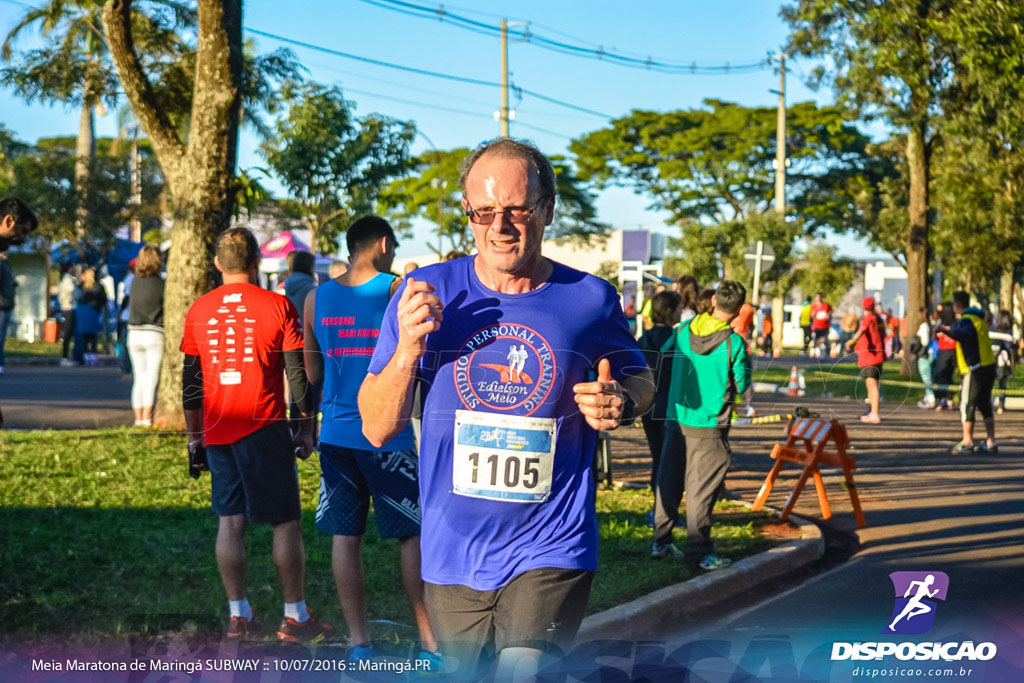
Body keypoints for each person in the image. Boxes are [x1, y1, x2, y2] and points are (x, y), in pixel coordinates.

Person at [357, 138, 653, 679]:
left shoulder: (589, 297)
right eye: (484, 212)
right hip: (452, 550)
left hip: (552, 538)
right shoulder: (425, 292)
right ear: (468, 214)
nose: (501, 226)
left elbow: (640, 376)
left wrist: (623, 402)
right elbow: (377, 428)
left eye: (517, 209)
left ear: (547, 209)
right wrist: (405, 353)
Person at [180, 227, 331, 642]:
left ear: (216, 263)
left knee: (230, 521)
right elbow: (297, 373)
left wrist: (196, 439)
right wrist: (305, 425)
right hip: (264, 426)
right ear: (255, 262)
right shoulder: (277, 305)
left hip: (217, 429)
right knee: (285, 522)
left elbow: (190, 381)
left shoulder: (200, 309)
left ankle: (238, 615)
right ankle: (296, 616)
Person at [303, 216, 440, 668]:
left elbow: (312, 373)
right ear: (382, 243)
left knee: (346, 536)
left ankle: (359, 643)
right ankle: (429, 644)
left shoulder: (315, 297)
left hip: (336, 434)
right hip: (389, 435)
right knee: (411, 535)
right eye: (394, 246)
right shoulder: (395, 289)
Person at [653, 280, 750, 570]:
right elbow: (742, 384)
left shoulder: (683, 330)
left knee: (668, 479)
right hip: (709, 425)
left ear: (715, 302)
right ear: (739, 309)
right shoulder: (734, 343)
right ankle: (698, 551)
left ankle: (661, 541)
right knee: (701, 488)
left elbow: (664, 359)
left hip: (676, 417)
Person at [938, 291, 997, 454]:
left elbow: (960, 333)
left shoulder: (967, 320)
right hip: (989, 365)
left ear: (957, 305)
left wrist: (943, 330)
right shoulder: (978, 318)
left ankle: (967, 441)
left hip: (975, 368)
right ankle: (991, 441)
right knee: (984, 403)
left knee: (967, 403)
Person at [638, 290, 682, 499]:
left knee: (657, 456)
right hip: (670, 406)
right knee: (669, 460)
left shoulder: (642, 339)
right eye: (679, 308)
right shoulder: (677, 340)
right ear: (671, 311)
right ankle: (662, 507)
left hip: (647, 404)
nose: (682, 312)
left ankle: (655, 503)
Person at [127, 245, 164, 427]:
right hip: (154, 333)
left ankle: (137, 417)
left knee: (138, 377)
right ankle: (147, 418)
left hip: (134, 333)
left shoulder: (134, 281)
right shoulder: (161, 283)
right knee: (151, 379)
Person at [845, 296, 884, 423]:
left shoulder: (868, 318)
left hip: (870, 357)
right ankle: (871, 411)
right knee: (871, 385)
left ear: (863, 306)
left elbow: (861, 330)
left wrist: (852, 340)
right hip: (876, 356)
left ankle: (875, 413)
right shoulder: (878, 318)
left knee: (872, 386)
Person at [75, 268, 107, 367]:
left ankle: (85, 357)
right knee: (93, 336)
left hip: (83, 311)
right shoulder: (98, 286)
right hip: (94, 311)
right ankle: (93, 358)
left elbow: (77, 298)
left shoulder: (81, 287)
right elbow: (103, 299)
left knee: (84, 336)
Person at [730, 300, 757, 418]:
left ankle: (745, 407)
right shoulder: (747, 308)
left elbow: (750, 325)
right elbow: (750, 325)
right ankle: (747, 406)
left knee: (740, 376)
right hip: (737, 345)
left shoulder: (746, 308)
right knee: (744, 376)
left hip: (732, 345)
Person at [990, 310, 1016, 416]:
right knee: (1001, 382)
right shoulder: (1007, 331)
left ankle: (990, 403)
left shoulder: (992, 328)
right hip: (1001, 360)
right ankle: (1000, 404)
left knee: (990, 382)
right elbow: (1009, 346)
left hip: (991, 358)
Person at [933, 304, 958, 411]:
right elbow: (934, 336)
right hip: (945, 350)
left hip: (949, 350)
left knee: (946, 375)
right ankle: (944, 398)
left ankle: (948, 398)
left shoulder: (955, 323)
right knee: (942, 375)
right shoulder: (941, 322)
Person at [284, 251, 317, 325]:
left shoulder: (287, 285)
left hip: (291, 331)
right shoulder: (311, 289)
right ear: (310, 266)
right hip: (306, 332)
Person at [913, 306, 936, 409]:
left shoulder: (924, 326)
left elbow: (924, 341)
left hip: (924, 355)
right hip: (931, 354)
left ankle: (931, 399)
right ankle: (928, 397)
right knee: (929, 375)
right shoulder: (931, 325)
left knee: (926, 377)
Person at [58, 264, 79, 367]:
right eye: (72, 268)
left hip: (69, 308)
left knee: (69, 333)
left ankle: (67, 356)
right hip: (68, 308)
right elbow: (74, 292)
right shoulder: (68, 280)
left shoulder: (67, 279)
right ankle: (64, 357)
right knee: (67, 333)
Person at [0, 247, 15, 374]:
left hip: (8, 304)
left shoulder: (5, 263)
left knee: (2, 336)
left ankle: (1, 361)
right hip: (2, 306)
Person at [810, 293, 833, 358]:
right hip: (817, 326)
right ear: (815, 298)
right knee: (816, 340)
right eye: (817, 297)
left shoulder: (826, 305)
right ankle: (817, 353)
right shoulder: (813, 306)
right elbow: (812, 316)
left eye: (820, 297)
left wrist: (829, 317)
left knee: (824, 340)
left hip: (825, 326)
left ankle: (827, 353)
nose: (818, 299)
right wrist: (813, 315)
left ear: (821, 298)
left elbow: (830, 313)